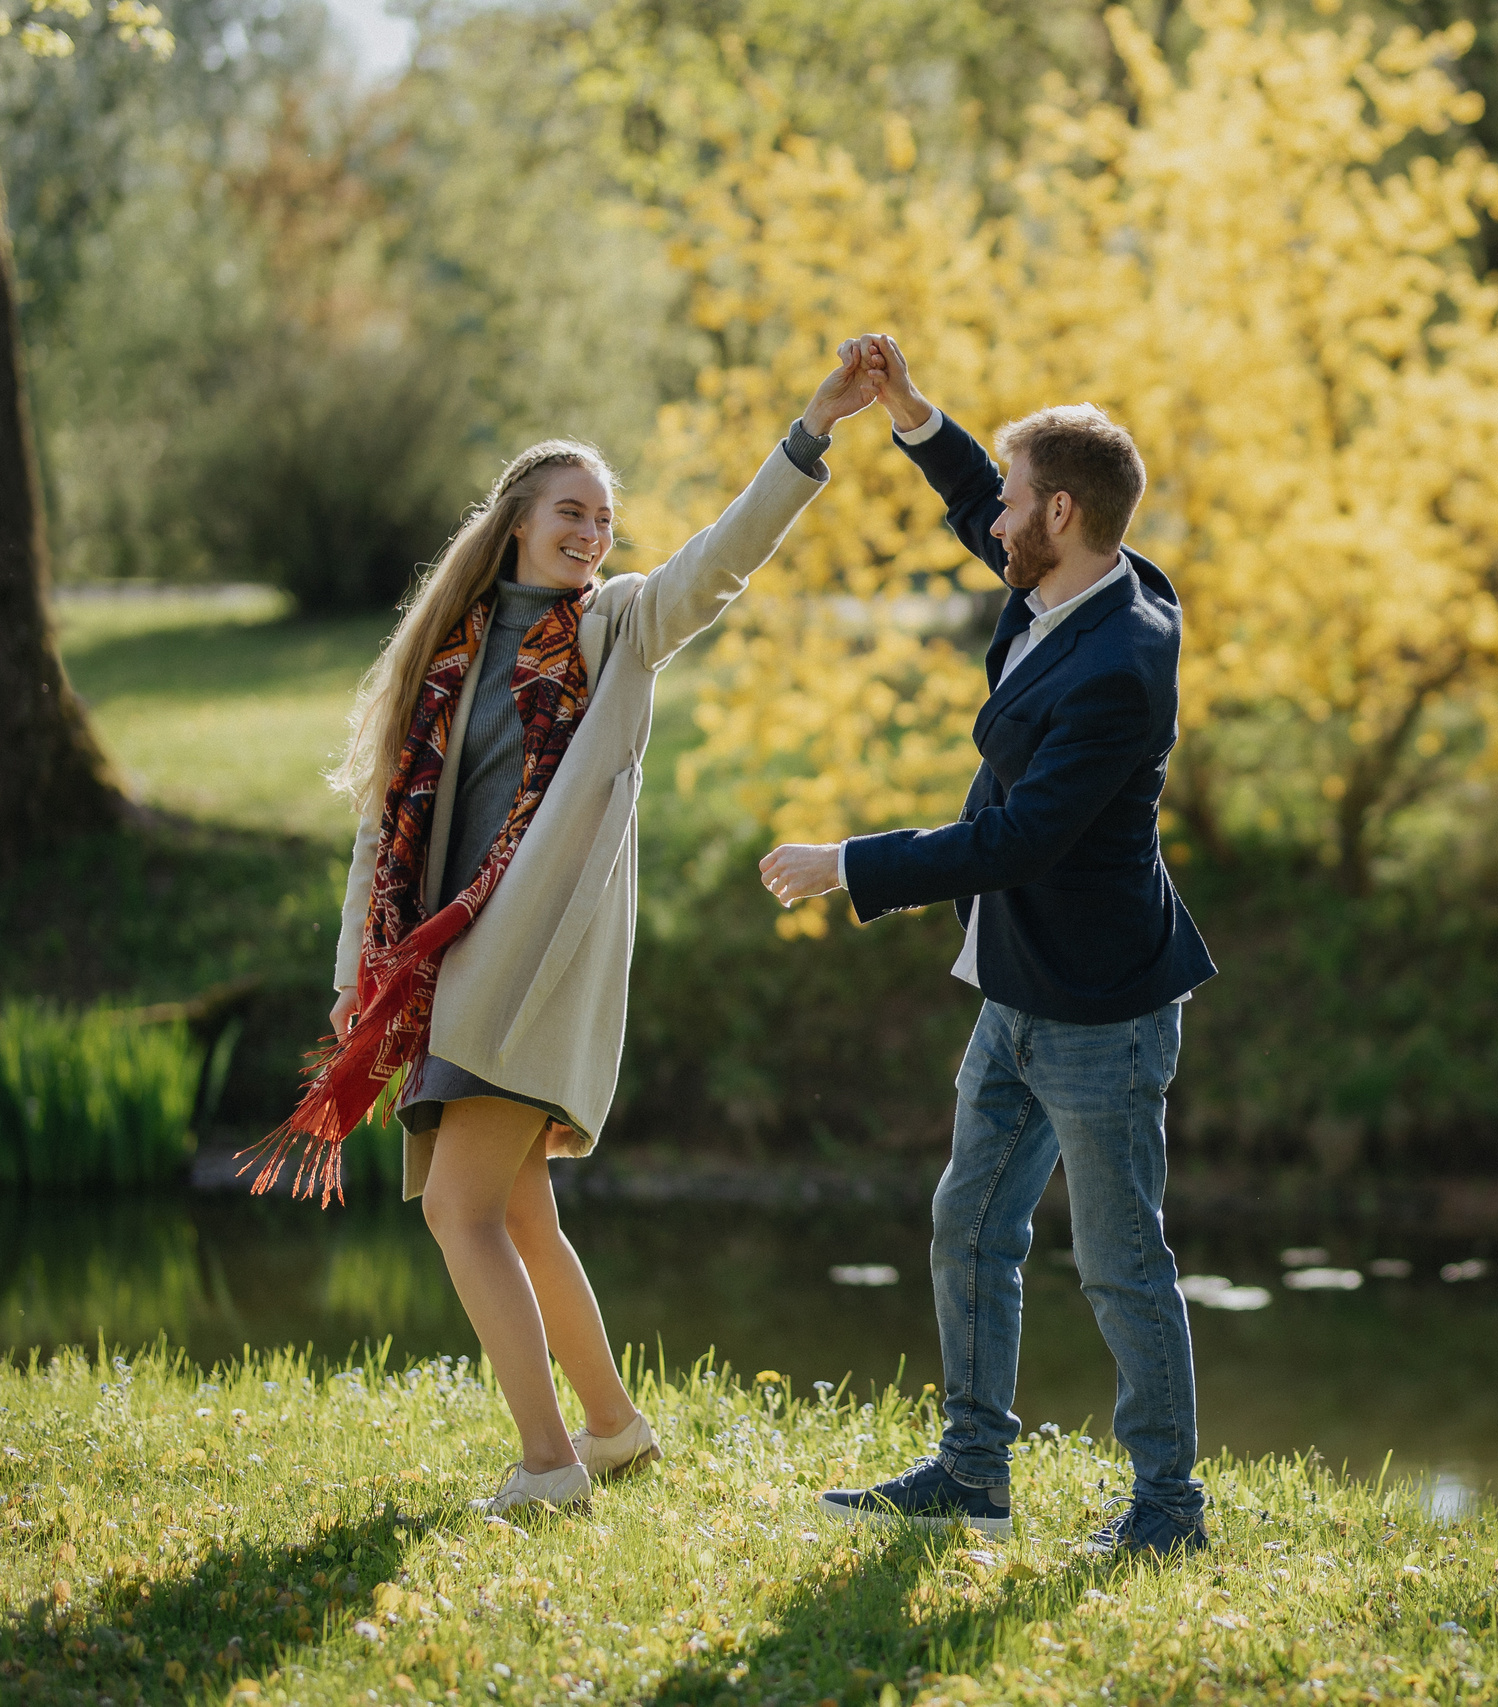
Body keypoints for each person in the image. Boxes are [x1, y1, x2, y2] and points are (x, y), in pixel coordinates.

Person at [253, 340, 879, 1515]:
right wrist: (356, 974)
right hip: (442, 970)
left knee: (459, 1210)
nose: (592, 532)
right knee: (519, 1211)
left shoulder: (615, 631)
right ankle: (613, 1429)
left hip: (533, 969)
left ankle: (549, 1472)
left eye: (605, 517)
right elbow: (380, 828)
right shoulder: (443, 655)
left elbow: (720, 561)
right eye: (570, 512)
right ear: (516, 523)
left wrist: (811, 431)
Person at [758, 334, 1217, 1558]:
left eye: (1014, 499)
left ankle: (1169, 1512)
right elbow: (978, 505)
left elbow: (1016, 842)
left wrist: (849, 863)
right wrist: (911, 414)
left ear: (1058, 513)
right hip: (1017, 984)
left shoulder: (1120, 666)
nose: (993, 519)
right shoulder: (1080, 577)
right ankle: (970, 1474)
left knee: (1120, 1268)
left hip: (1103, 1008)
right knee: (969, 1225)